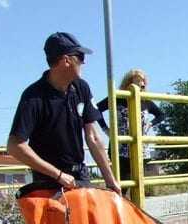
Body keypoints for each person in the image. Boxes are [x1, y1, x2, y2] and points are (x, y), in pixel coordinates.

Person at [7, 32, 121, 196]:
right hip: (48, 182)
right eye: (80, 57)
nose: (83, 62)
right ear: (66, 60)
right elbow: (15, 146)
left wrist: (110, 180)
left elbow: (93, 137)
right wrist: (58, 175)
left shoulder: (82, 88)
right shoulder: (33, 97)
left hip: (79, 176)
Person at [97, 69, 165, 182]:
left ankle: (134, 200)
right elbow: (96, 109)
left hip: (140, 149)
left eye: (143, 81)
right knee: (121, 184)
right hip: (120, 148)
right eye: (138, 80)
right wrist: (105, 129)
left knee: (137, 183)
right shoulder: (117, 97)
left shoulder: (145, 101)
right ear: (128, 82)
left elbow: (161, 115)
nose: (141, 84)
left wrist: (150, 124)